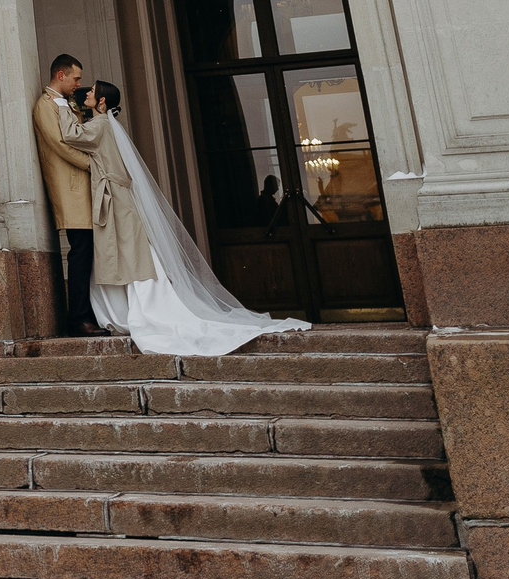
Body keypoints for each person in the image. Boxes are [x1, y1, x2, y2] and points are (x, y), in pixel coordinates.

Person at [74, 79, 308, 357]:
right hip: (120, 199)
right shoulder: (110, 124)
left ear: (102, 102)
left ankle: (133, 312)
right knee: (132, 252)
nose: (86, 92)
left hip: (114, 199)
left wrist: (65, 111)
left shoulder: (99, 125)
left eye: (92, 92)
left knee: (126, 252)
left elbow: (70, 136)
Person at [31, 54, 98, 336]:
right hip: (70, 189)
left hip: (84, 187)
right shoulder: (45, 106)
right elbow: (59, 144)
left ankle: (91, 313)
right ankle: (78, 318)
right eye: (76, 78)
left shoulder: (69, 103)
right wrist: (94, 164)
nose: (78, 84)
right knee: (80, 252)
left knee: (89, 252)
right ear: (61, 75)